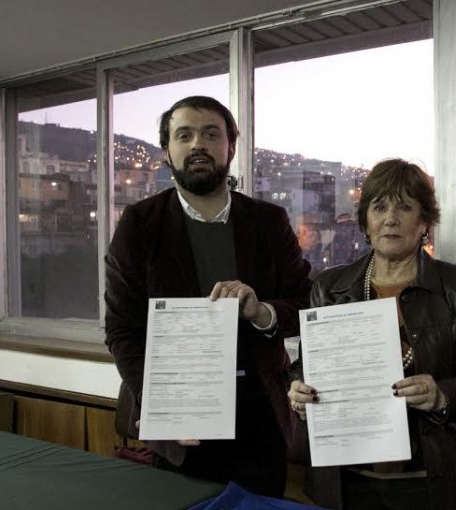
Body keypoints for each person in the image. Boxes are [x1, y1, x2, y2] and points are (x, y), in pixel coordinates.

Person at [105, 96, 312, 497]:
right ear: (167, 151)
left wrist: (263, 312)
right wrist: (163, 406)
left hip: (260, 418)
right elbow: (122, 330)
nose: (197, 144)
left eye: (211, 134)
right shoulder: (140, 225)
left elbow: (305, 302)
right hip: (182, 423)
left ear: (230, 147)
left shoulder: (269, 222)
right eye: (184, 135)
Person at [287, 158, 456, 510]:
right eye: (380, 206)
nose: (391, 217)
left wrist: (442, 394)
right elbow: (306, 365)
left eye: (405, 206)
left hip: (436, 478)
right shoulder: (329, 288)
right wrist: (297, 387)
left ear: (424, 222)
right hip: (348, 478)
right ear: (366, 221)